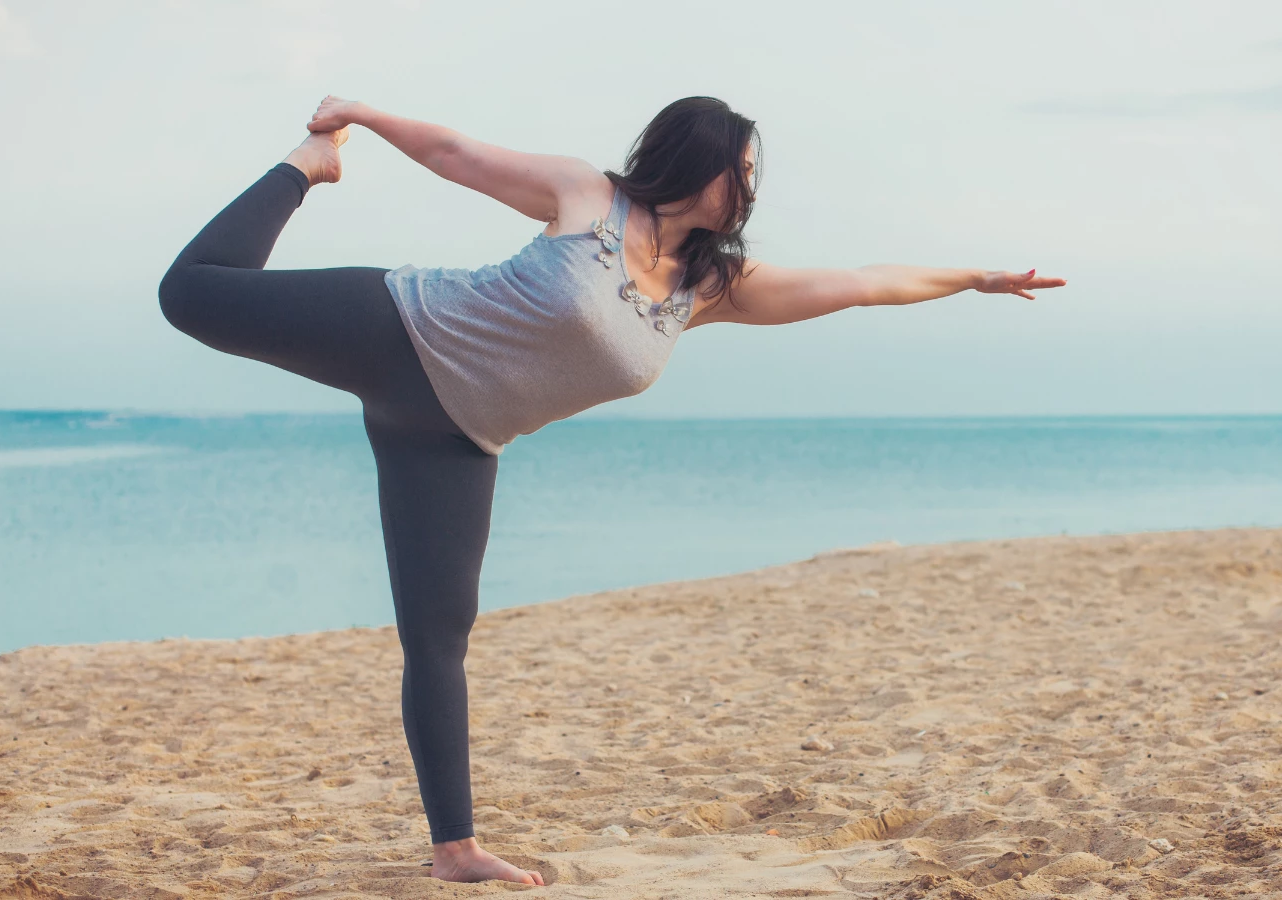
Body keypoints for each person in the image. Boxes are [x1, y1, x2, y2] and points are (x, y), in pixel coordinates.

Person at [157, 94, 1066, 885]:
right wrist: (356, 118)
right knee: (192, 294)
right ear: (695, 158)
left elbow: (863, 284)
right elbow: (454, 155)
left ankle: (455, 847)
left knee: (439, 636)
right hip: (402, 327)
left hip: (457, 440)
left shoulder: (712, 287)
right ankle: (300, 171)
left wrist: (971, 279)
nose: (748, 186)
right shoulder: (586, 196)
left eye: (753, 173)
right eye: (738, 168)